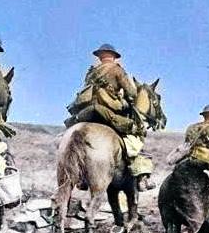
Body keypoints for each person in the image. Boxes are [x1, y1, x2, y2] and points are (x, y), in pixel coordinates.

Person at [65, 44, 152, 177]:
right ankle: (142, 176)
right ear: (113, 56)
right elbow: (132, 93)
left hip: (87, 112)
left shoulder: (91, 72)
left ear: (100, 57)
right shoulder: (117, 70)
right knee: (134, 133)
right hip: (107, 111)